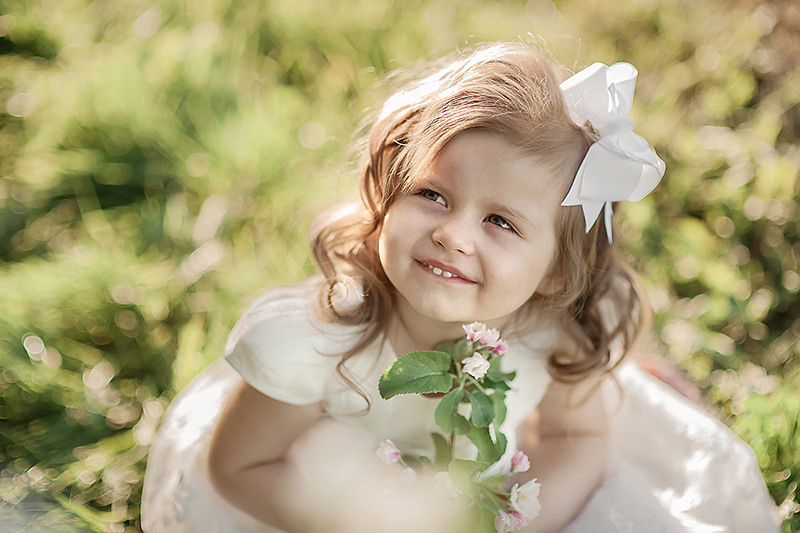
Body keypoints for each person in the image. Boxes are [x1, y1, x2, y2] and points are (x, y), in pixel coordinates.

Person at [141, 42, 779, 532]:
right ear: (389, 193)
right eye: (432, 195)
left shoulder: (552, 328)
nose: (454, 235)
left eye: (500, 221)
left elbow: (572, 438)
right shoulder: (320, 346)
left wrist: (505, 523)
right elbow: (237, 469)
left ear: (553, 270)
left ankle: (639, 375)